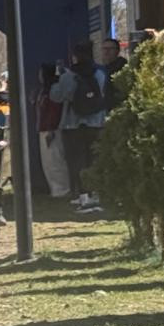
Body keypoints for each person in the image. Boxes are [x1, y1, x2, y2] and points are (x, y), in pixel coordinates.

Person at [50, 41, 109, 209]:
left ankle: (83, 196)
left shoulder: (69, 75)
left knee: (76, 161)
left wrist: (55, 81)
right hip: (96, 122)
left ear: (75, 56)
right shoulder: (100, 73)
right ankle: (96, 193)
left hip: (72, 124)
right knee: (94, 159)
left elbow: (57, 97)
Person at [33, 63, 71, 198]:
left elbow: (54, 112)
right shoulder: (43, 90)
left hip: (52, 130)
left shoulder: (53, 90)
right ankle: (54, 189)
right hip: (43, 128)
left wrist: (51, 130)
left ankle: (62, 190)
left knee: (56, 161)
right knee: (48, 162)